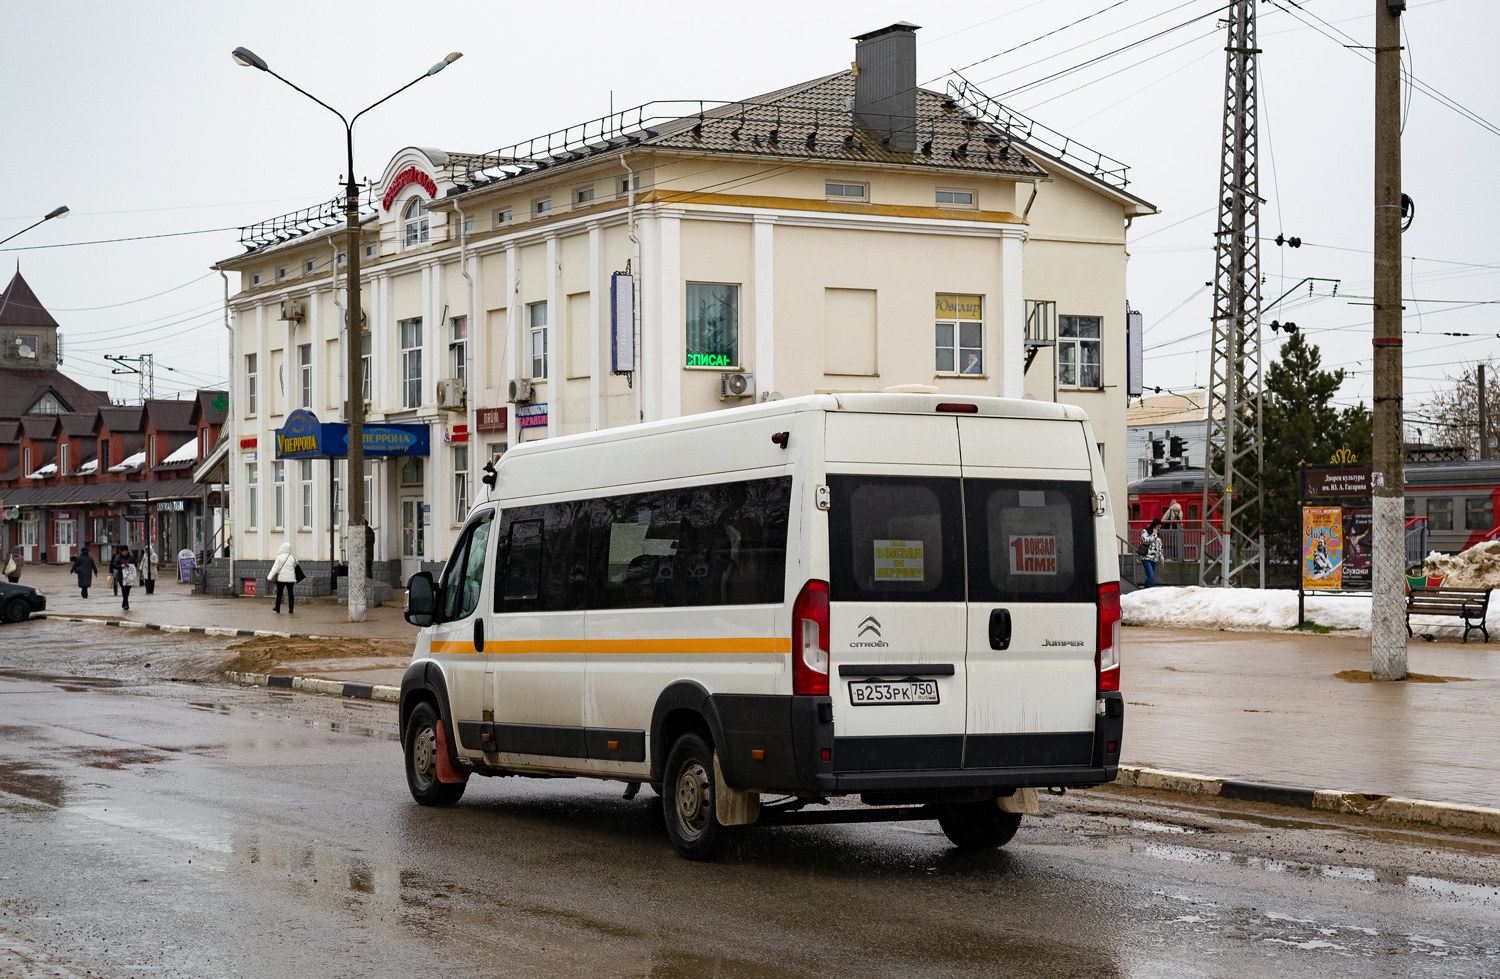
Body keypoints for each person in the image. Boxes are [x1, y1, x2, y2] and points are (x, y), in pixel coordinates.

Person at [269, 542, 299, 614]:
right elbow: (296, 565)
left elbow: (275, 568)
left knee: (279, 593)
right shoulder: (293, 558)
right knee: (290, 593)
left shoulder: (279, 558)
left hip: (281, 579)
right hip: (291, 579)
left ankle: (277, 608)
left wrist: (269, 577)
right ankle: (291, 609)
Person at [1139, 518, 1165, 588]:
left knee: (1150, 576)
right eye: (1158, 527)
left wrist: (1161, 559)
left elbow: (1159, 548)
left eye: (1160, 527)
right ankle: (1152, 590)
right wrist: (1153, 534)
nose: (1159, 529)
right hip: (1146, 557)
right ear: (1154, 526)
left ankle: (1146, 590)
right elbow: (1145, 540)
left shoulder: (1158, 535)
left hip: (1154, 558)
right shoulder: (1146, 531)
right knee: (1150, 575)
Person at [111, 545, 137, 612]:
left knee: (127, 591)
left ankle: (124, 602)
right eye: (123, 552)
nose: (125, 553)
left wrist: (130, 565)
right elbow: (114, 565)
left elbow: (135, 564)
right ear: (121, 552)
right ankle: (126, 604)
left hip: (129, 576)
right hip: (121, 576)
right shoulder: (118, 557)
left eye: (126, 551)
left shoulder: (131, 557)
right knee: (124, 590)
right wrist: (121, 566)